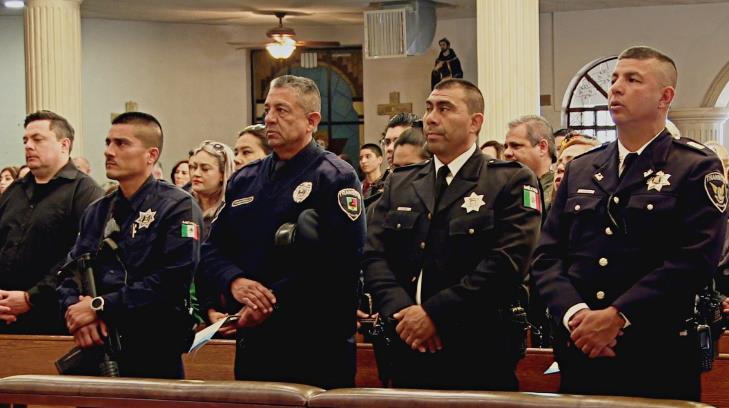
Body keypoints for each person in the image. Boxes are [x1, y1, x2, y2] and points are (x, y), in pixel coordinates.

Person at [531, 46, 727, 401]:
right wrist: (577, 316)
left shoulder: (693, 166)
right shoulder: (582, 168)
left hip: (655, 351)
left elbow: (695, 259)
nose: (615, 88)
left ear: (665, 97)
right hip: (581, 348)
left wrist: (617, 317)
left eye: (632, 79)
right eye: (615, 79)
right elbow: (546, 257)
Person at [363, 78, 541, 390]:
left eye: (445, 108)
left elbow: (506, 263)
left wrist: (433, 315)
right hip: (406, 344)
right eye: (429, 108)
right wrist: (404, 313)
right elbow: (375, 254)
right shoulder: (401, 182)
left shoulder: (508, 181)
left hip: (478, 350)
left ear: (475, 122)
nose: (431, 118)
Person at [199, 75, 366, 389]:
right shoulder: (245, 179)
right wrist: (234, 281)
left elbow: (342, 265)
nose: (269, 119)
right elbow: (212, 249)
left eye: (282, 110)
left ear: (311, 121)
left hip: (314, 342)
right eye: (267, 109)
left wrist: (266, 304)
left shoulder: (334, 177)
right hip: (256, 342)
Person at [58, 111, 203, 379]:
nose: (109, 151)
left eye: (121, 144)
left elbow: (173, 280)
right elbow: (70, 271)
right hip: (99, 347)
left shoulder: (177, 207)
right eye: (107, 142)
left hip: (153, 350)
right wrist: (76, 313)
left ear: (151, 155)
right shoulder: (98, 211)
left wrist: (99, 306)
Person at [0, 111, 103, 334]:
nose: (28, 146)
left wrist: (31, 298)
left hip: (52, 317)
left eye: (37, 139)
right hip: (4, 314)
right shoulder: (15, 191)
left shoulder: (85, 192)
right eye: (25, 140)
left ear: (64, 145)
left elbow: (80, 255)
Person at [504, 115, 556, 212]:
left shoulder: (559, 190)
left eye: (515, 146)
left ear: (542, 147)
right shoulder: (507, 188)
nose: (506, 153)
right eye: (506, 146)